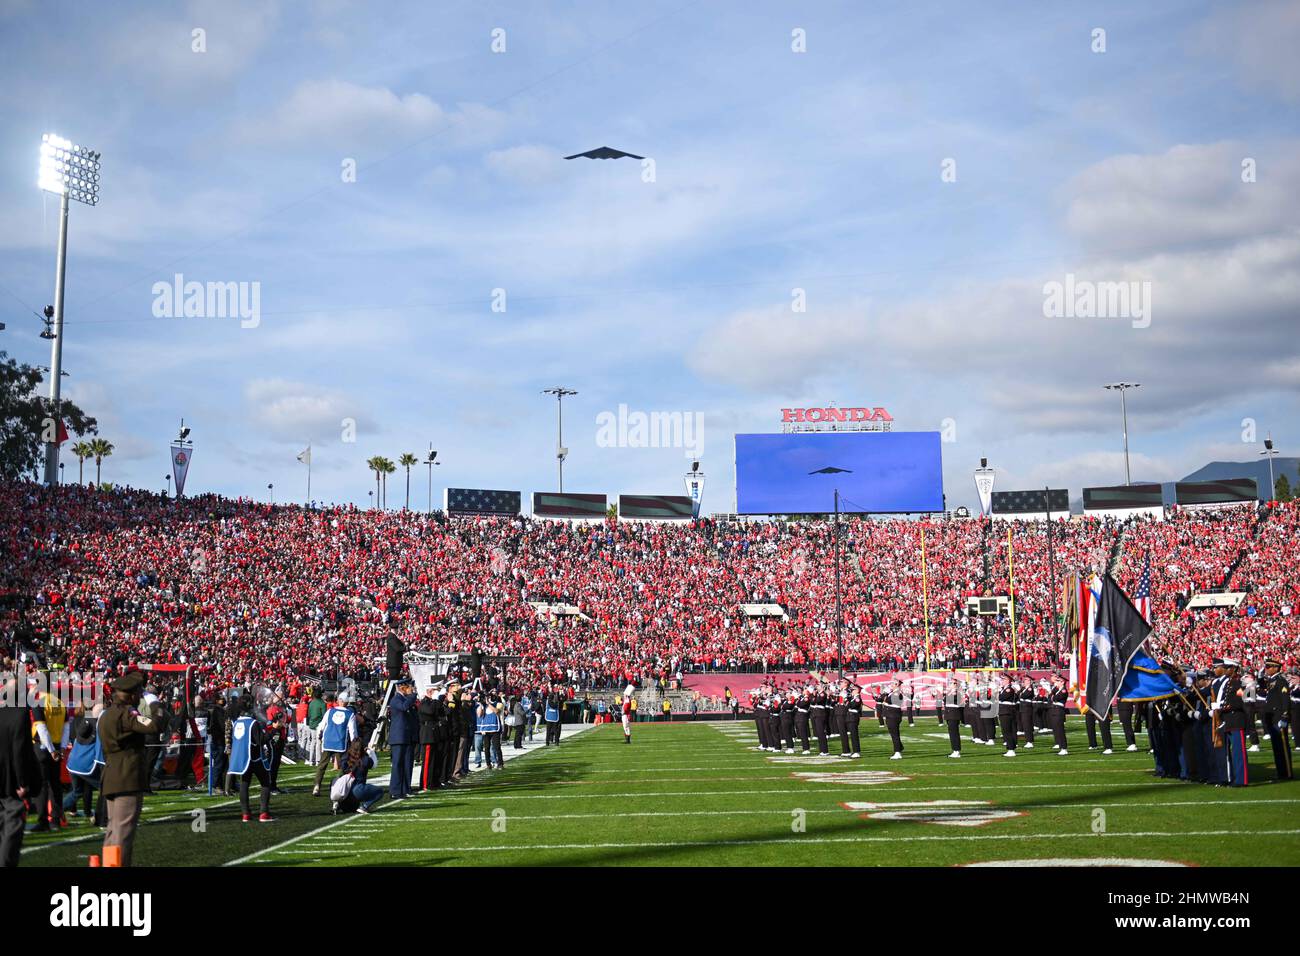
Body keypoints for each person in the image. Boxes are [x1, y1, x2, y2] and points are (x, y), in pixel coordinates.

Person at [97, 671, 160, 866]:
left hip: (111, 775)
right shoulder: (126, 713)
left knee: (113, 829)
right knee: (123, 832)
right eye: (138, 693)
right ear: (131, 695)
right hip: (127, 777)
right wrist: (157, 709)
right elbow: (151, 726)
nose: (140, 697)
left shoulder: (106, 714)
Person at [0, 676, 42, 867]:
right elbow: (20, 749)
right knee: (13, 825)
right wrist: (22, 782)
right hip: (11, 778)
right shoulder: (20, 713)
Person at [28, 682, 68, 832]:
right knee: (55, 784)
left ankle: (43, 820)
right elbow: (66, 727)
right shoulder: (60, 703)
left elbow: (41, 728)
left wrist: (51, 749)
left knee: (42, 785)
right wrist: (61, 748)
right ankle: (56, 820)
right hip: (57, 745)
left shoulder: (39, 702)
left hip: (43, 747)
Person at [228, 696, 275, 822]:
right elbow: (261, 740)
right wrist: (275, 729)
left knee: (244, 784)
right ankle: (264, 813)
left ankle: (245, 813)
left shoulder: (237, 722)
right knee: (265, 783)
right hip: (255, 758)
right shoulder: (252, 723)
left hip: (242, 759)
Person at [313, 692, 357, 796]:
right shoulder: (350, 714)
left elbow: (321, 725)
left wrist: (319, 736)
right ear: (346, 702)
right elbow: (353, 732)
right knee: (343, 765)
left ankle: (316, 786)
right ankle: (338, 786)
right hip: (340, 743)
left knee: (322, 765)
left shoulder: (330, 711)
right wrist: (355, 744)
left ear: (339, 700)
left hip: (328, 741)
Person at [1259, 658, 1293, 780]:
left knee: (1282, 747)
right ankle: (1281, 772)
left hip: (1278, 717)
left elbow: (1285, 699)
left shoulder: (1280, 681)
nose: (1266, 669)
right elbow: (1263, 690)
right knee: (1276, 747)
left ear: (1276, 668)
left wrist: (1284, 716)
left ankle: (1287, 772)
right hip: (1272, 717)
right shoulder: (1272, 680)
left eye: (1268, 667)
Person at [388, 678, 418, 798]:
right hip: (398, 737)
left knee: (407, 764)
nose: (410, 689)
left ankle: (405, 788)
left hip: (407, 736)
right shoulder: (396, 699)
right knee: (397, 764)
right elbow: (404, 707)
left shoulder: (406, 699)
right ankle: (395, 791)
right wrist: (412, 696)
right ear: (402, 687)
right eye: (408, 687)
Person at [337, 739, 383, 814]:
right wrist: (371, 752)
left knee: (352, 808)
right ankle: (364, 806)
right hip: (357, 791)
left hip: (343, 792)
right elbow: (374, 765)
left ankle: (338, 805)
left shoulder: (345, 757)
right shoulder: (364, 759)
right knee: (380, 791)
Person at [941, 678, 964, 758]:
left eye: (953, 683)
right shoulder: (950, 692)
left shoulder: (956, 693)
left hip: (954, 714)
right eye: (951, 683)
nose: (950, 685)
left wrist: (953, 691)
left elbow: (955, 701)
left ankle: (956, 750)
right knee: (952, 733)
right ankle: (954, 750)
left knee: (954, 733)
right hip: (949, 714)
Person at [997, 673, 1018, 757]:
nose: (1001, 681)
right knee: (1007, 731)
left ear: (1008, 680)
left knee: (1007, 731)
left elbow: (1001, 697)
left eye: (1003, 679)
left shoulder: (1009, 689)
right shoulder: (1004, 689)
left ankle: (1011, 749)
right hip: (1004, 711)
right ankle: (1011, 748)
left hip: (1006, 711)